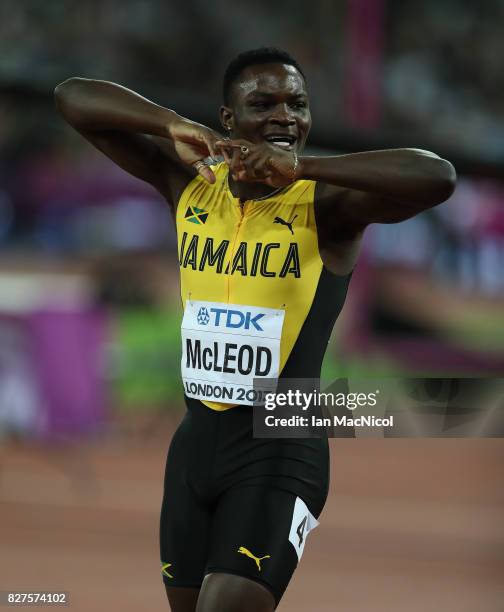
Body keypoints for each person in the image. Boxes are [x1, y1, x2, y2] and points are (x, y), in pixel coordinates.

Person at [54, 47, 456, 612]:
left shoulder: (327, 205)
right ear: (228, 119)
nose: (284, 116)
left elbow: (437, 176)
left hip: (281, 446)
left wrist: (304, 168)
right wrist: (170, 123)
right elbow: (72, 95)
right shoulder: (191, 184)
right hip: (196, 444)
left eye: (297, 103)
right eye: (263, 103)